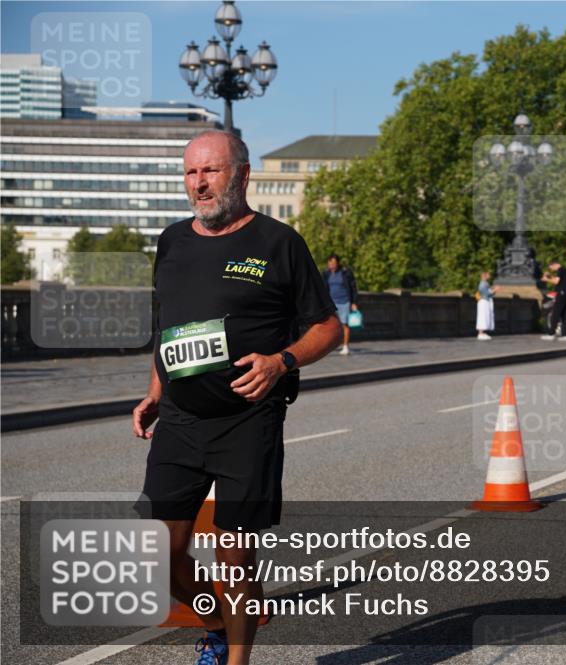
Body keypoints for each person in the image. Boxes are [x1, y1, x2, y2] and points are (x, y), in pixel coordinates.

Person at [132, 130, 341, 665]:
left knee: (234, 557)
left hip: (249, 420)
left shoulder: (279, 243)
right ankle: (219, 626)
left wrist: (281, 361)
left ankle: (236, 658)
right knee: (159, 552)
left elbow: (328, 328)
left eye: (211, 171)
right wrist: (155, 391)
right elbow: (168, 326)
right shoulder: (171, 241)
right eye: (190, 172)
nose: (198, 183)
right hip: (180, 420)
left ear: (242, 175)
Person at [322, 253, 358, 355]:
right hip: (331, 303)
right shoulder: (326, 274)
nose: (331, 265)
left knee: (344, 324)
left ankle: (345, 346)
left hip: (344, 302)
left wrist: (354, 302)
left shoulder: (345, 272)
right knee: (330, 325)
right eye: (330, 263)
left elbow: (353, 287)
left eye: (333, 263)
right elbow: (323, 288)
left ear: (338, 263)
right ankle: (330, 345)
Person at [540, 260, 566, 341]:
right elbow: (558, 279)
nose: (552, 270)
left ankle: (551, 333)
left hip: (561, 293)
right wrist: (550, 276)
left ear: (554, 265)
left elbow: (556, 281)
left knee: (555, 313)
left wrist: (546, 279)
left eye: (551, 268)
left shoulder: (560, 270)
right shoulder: (564, 270)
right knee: (564, 314)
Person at [476, 270, 499, 340]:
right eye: (488, 275)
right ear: (485, 276)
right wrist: (495, 290)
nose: (489, 276)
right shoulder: (483, 284)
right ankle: (480, 333)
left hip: (485, 301)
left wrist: (493, 289)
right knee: (483, 317)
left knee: (485, 316)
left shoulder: (485, 283)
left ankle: (482, 332)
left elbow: (488, 292)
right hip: (483, 301)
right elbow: (486, 293)